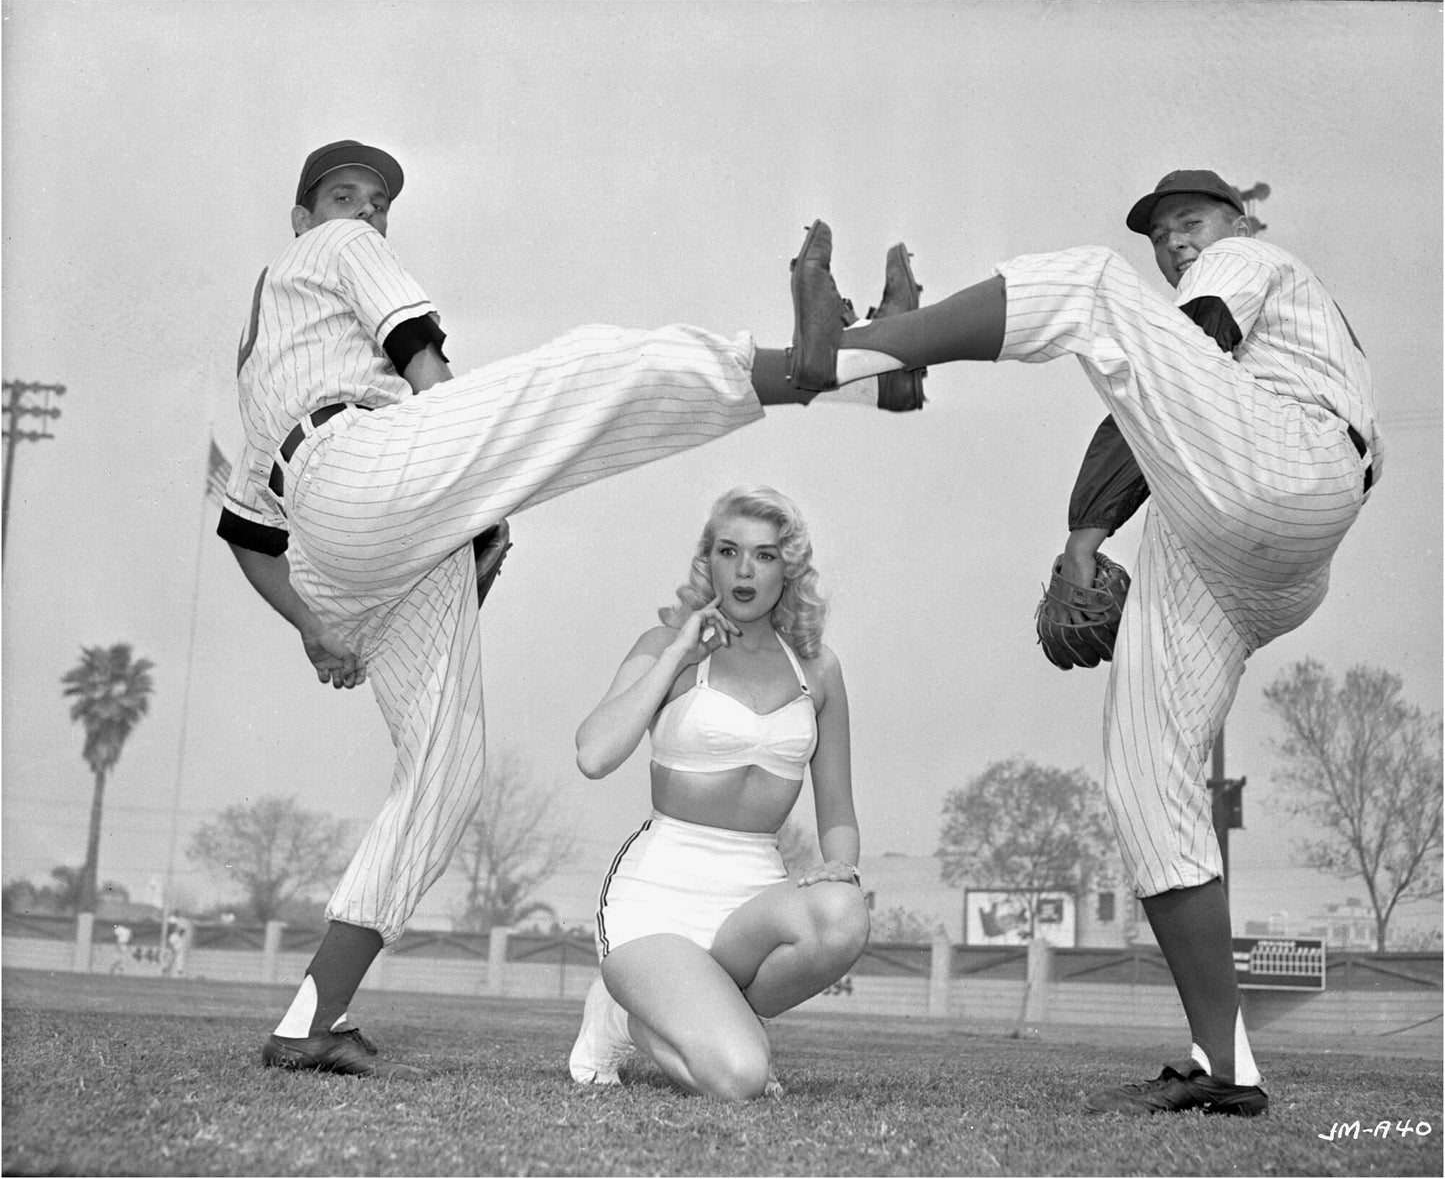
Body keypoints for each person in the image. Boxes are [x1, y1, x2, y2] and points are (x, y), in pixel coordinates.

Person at [217, 141, 915, 1079]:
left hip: (361, 532)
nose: (366, 212)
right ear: (303, 216)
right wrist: (477, 465)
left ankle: (310, 1016)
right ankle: (824, 367)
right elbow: (419, 354)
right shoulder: (327, 249)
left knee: (443, 774)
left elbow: (248, 535)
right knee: (587, 371)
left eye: (379, 202)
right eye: (344, 197)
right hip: (369, 464)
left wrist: (314, 622)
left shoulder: (256, 365)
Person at [785, 170, 1380, 1116]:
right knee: (1146, 775)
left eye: (1190, 222)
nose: (1176, 243)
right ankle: (1225, 1063)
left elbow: (1182, 344)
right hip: (1241, 541)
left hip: (1294, 459)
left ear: (1238, 220)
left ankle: (859, 354)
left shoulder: (1251, 260)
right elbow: (1158, 401)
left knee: (1093, 288)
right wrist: (1085, 537)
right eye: (1162, 233)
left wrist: (1081, 529)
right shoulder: (1202, 337)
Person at [566, 486, 869, 1101]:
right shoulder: (666, 648)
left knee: (843, 914)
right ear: (710, 560)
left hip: (750, 903)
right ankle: (625, 1014)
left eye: (763, 554)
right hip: (657, 900)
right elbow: (595, 754)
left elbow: (837, 810)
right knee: (740, 1080)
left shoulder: (819, 670)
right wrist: (680, 648)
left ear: (789, 568)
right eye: (729, 551)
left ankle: (693, 1014)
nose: (745, 570)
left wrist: (840, 866)